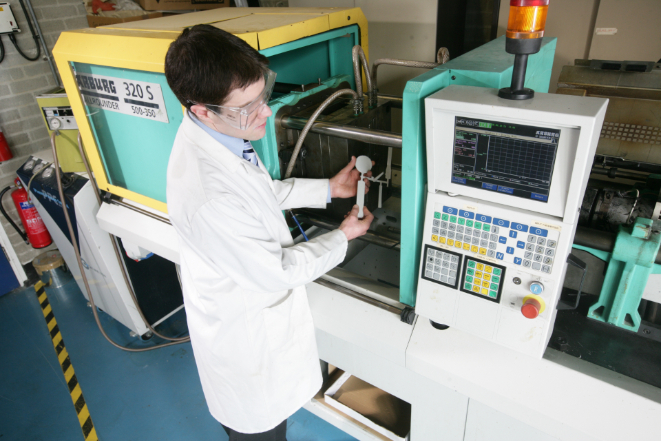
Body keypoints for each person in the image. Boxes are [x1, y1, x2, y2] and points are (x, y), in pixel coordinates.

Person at [164, 24, 374, 440]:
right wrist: (343, 237)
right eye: (247, 107)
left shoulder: (221, 134)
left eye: (264, 95)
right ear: (202, 109)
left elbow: (259, 193)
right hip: (246, 345)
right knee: (260, 433)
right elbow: (277, 271)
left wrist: (330, 189)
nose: (264, 112)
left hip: (252, 311)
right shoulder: (208, 193)